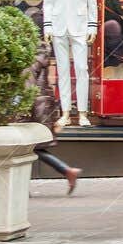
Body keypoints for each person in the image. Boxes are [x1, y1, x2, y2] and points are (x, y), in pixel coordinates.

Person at [29, 36, 81, 194]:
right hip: (40, 103)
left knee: (27, 146)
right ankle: (67, 171)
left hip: (35, 105)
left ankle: (67, 171)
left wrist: (18, 101)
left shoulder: (34, 49)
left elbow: (28, 78)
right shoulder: (39, 49)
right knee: (31, 147)